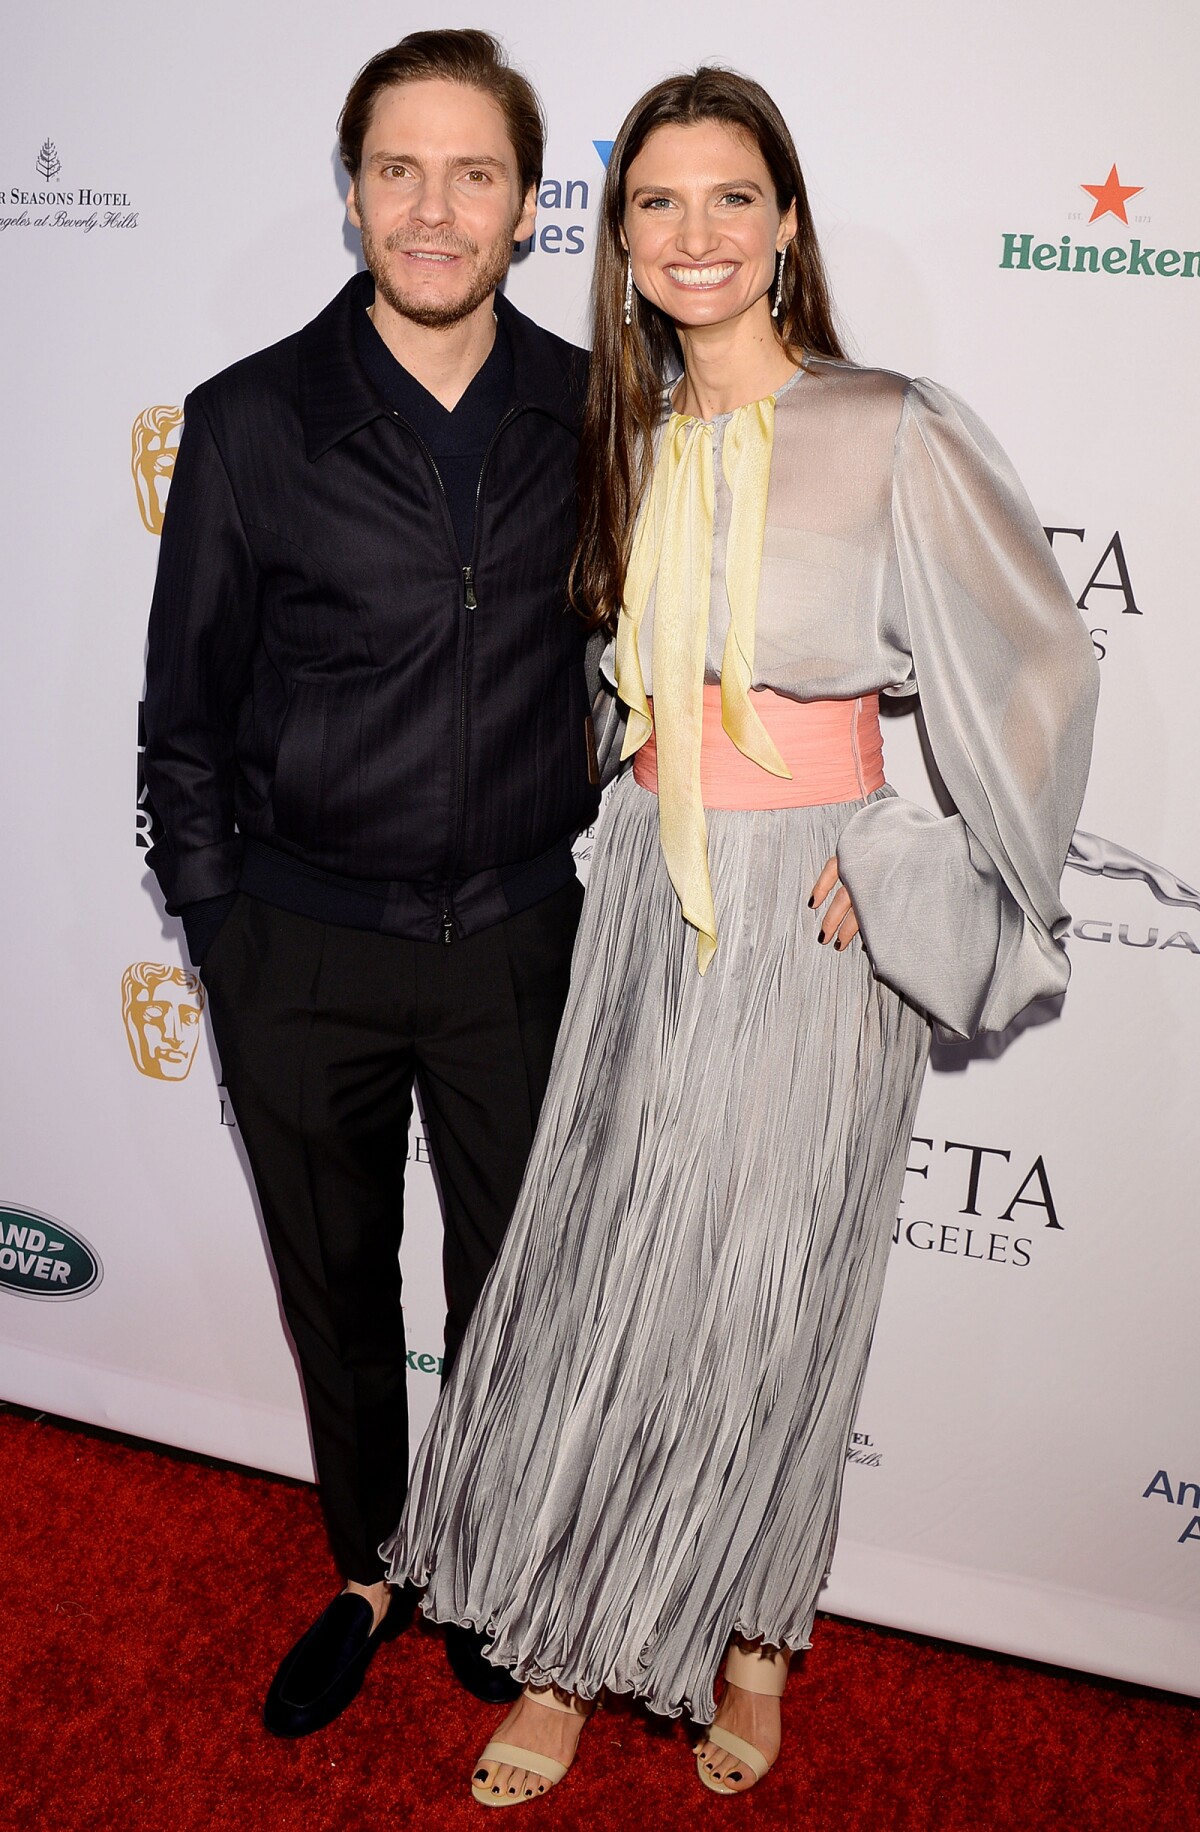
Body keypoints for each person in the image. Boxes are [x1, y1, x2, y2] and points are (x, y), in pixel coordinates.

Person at [383, 66, 1100, 1805]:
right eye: (655, 204)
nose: (693, 235)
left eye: (729, 199)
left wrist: (924, 865)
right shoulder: (620, 436)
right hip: (645, 892)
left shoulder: (890, 423)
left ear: (784, 226)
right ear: (617, 243)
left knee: (776, 1298)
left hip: (810, 918)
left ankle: (755, 1637)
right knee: (602, 1273)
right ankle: (563, 1638)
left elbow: (1039, 668)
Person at [141, 30, 599, 1736]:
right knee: (339, 1293)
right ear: (351, 199)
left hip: (516, 945)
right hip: (301, 950)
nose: (433, 206)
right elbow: (180, 715)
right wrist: (225, 933)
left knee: (522, 1291)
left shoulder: (597, 411)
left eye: (472, 171)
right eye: (398, 170)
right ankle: (374, 1561)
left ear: (529, 208)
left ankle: (481, 1563)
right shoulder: (252, 419)